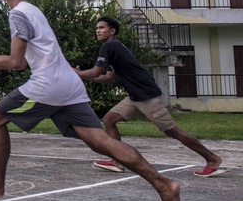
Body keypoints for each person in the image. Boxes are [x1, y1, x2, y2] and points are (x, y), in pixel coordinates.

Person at [0, 0, 182, 201]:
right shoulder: (31, 11)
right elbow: (28, 56)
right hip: (67, 84)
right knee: (101, 142)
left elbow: (16, 63)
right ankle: (165, 186)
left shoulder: (18, 13)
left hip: (48, 85)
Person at [75, 16, 225, 178]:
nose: (98, 31)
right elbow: (108, 77)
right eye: (97, 28)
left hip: (145, 95)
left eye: (102, 28)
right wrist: (81, 76)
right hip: (135, 96)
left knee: (173, 131)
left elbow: (96, 72)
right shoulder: (112, 47)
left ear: (112, 31)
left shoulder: (110, 46)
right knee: (109, 120)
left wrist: (77, 74)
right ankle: (117, 160)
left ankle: (212, 159)